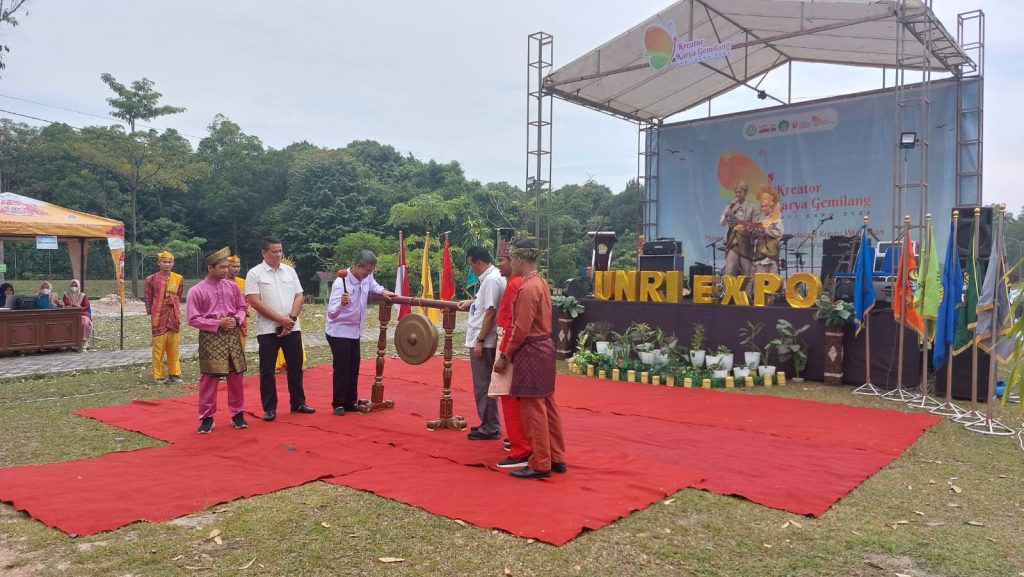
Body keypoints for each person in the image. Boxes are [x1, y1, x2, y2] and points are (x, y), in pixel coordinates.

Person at [494, 239, 566, 479]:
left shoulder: (527, 288)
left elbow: (520, 328)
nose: (508, 263)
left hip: (531, 351)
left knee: (533, 408)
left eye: (510, 258)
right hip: (545, 346)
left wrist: (505, 355)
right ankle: (556, 457)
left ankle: (540, 462)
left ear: (519, 260)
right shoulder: (541, 283)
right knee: (548, 404)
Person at [245, 236, 313, 421]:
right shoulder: (254, 273)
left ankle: (298, 402)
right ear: (264, 253)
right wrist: (280, 320)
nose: (278, 254)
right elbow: (255, 302)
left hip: (292, 327)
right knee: (267, 369)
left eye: (280, 251)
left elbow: (300, 295)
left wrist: (290, 319)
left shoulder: (289, 271)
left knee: (296, 366)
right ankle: (269, 408)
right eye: (274, 251)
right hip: (268, 329)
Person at [186, 247, 249, 434]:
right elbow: (192, 318)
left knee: (236, 376)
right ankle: (207, 417)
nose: (226, 270)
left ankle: (238, 414)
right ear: (209, 268)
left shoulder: (232, 286)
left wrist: (237, 319)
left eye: (227, 267)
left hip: (232, 335)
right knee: (209, 378)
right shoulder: (196, 291)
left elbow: (242, 306)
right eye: (222, 267)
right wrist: (217, 323)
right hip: (210, 338)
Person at [325, 250, 396, 415]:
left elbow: (374, 286)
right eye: (367, 271)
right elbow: (331, 313)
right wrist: (341, 305)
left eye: (371, 271)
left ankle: (350, 401)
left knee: (354, 366)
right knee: (342, 367)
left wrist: (383, 291)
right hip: (339, 330)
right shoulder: (340, 283)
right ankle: (338, 403)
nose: (368, 274)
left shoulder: (367, 277)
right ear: (357, 266)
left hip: (355, 330)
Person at [456, 246, 506, 441]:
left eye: (471, 265)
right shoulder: (490, 278)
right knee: (483, 384)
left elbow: (491, 312)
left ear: (478, 262)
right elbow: (484, 303)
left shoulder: (492, 279)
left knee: (483, 384)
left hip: (485, 341)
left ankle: (490, 426)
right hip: (483, 338)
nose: (472, 270)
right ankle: (487, 423)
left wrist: (480, 340)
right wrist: (471, 303)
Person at [493, 239, 531, 468]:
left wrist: (504, 354)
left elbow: (512, 324)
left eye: (502, 260)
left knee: (509, 397)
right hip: (516, 344)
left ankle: (521, 449)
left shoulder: (516, 284)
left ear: (515, 261)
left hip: (510, 345)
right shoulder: (524, 282)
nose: (499, 265)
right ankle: (519, 441)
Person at [144, 251, 184, 384]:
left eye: (170, 262)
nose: (167, 264)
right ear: (159, 263)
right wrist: (151, 311)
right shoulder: (151, 279)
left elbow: (179, 294)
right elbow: (148, 297)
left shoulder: (178, 278)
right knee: (159, 346)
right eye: (164, 262)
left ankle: (175, 373)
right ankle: (158, 375)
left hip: (173, 314)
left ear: (173, 263)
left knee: (174, 345)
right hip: (158, 315)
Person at [719, 181, 755, 279]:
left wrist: (741, 222)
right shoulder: (730, 207)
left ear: (746, 193)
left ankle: (747, 294)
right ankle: (730, 294)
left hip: (746, 244)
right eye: (736, 192)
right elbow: (722, 223)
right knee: (730, 270)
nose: (738, 194)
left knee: (747, 273)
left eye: (740, 192)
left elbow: (755, 226)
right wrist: (730, 207)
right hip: (732, 243)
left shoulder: (751, 207)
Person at [751, 185, 784, 277]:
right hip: (760, 254)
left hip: (771, 254)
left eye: (766, 206)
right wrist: (754, 231)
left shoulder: (777, 219)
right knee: (760, 283)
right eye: (762, 206)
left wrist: (765, 230)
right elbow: (757, 236)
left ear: (771, 205)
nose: (764, 209)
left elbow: (778, 233)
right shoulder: (762, 220)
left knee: (772, 283)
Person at [62, 279, 92, 351]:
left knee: (84, 323)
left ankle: (84, 342)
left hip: (82, 313)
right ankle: (69, 343)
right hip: (70, 313)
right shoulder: (66, 295)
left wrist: (79, 307)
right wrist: (74, 305)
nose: (73, 287)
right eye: (72, 285)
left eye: (75, 285)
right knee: (65, 323)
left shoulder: (83, 295)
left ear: (78, 286)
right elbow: (66, 303)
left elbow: (86, 306)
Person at [228, 255, 248, 350]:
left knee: (240, 346)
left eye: (238, 266)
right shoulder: (220, 281)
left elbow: (247, 301)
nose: (236, 269)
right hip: (226, 318)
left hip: (241, 319)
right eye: (233, 266)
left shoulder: (243, 282)